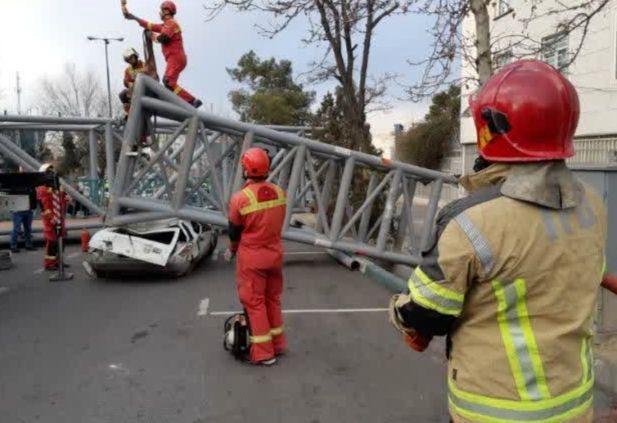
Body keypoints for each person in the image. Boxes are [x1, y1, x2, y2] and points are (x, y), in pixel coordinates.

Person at [388, 59, 606, 423]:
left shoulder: (471, 222)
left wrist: (399, 312)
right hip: (574, 403)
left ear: (491, 127)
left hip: (496, 410)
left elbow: (427, 314)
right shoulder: (593, 205)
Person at [225, 148, 287, 366]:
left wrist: (232, 250)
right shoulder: (280, 193)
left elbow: (234, 231)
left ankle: (263, 353)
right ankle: (278, 345)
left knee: (255, 303)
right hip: (275, 255)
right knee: (273, 300)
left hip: (252, 258)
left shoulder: (240, 199)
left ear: (246, 169)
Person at [124, 1, 202, 108]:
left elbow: (163, 38)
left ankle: (191, 101)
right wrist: (134, 18)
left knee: (168, 81)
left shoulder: (171, 23)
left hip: (175, 57)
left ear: (166, 11)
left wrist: (151, 35)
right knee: (169, 83)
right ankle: (187, 101)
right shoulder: (165, 25)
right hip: (174, 58)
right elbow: (150, 25)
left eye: (161, 10)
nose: (160, 13)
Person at [36, 164, 70, 271]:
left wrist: (67, 199)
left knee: (62, 239)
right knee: (52, 241)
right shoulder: (42, 188)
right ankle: (50, 263)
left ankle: (59, 261)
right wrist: (51, 218)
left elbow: (62, 199)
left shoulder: (57, 185)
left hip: (60, 217)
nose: (52, 174)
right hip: (50, 219)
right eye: (49, 172)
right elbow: (44, 206)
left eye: (52, 172)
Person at [10, 168, 36, 253]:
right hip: (18, 210)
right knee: (17, 229)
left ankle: (28, 245)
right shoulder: (15, 185)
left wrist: (33, 207)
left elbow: (34, 196)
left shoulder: (30, 185)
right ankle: (13, 246)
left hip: (27, 209)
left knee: (27, 229)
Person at [119, 47, 147, 117]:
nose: (130, 60)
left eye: (131, 58)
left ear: (135, 56)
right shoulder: (128, 70)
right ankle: (129, 113)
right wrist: (128, 83)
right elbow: (126, 81)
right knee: (122, 94)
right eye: (128, 59)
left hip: (146, 89)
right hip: (134, 91)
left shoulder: (145, 65)